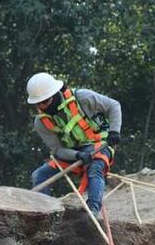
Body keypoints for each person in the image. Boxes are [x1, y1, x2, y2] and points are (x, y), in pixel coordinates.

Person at [26, 72, 121, 217]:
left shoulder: (82, 97)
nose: (41, 106)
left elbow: (114, 105)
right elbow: (57, 149)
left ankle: (92, 211)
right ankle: (44, 214)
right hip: (72, 153)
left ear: (54, 93)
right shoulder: (41, 122)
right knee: (39, 175)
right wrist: (77, 155)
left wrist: (114, 131)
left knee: (95, 168)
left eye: (44, 101)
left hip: (98, 144)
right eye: (37, 103)